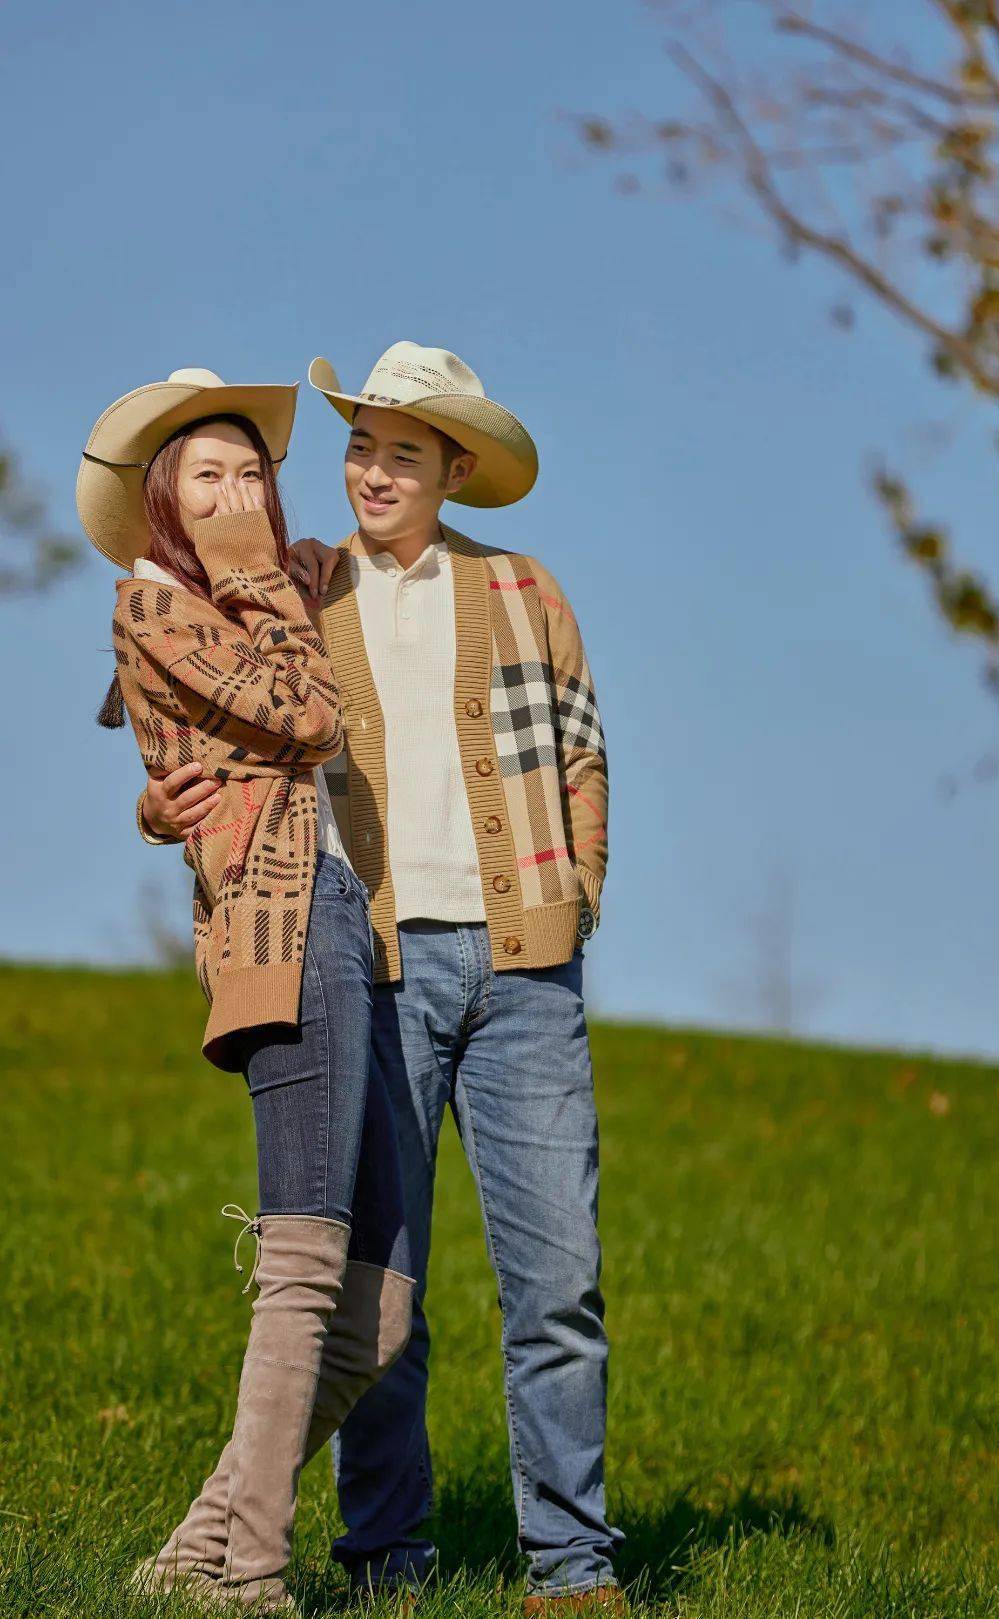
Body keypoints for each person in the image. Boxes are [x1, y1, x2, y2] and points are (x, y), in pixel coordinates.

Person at [141, 342, 622, 1611]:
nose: (372, 469)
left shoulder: (527, 589)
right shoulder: (297, 582)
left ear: (453, 469)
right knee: (383, 1291)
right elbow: (172, 700)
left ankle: (572, 1566)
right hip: (376, 960)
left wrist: (570, 896)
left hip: (526, 976)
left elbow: (584, 750)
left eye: (402, 451)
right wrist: (155, 799)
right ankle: (385, 1558)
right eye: (359, 445)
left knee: (558, 1282)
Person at [80, 368, 414, 1614]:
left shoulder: (263, 592)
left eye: (252, 472)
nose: (239, 495)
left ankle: (190, 1554)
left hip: (347, 916)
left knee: (379, 1306)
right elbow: (309, 712)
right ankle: (253, 1573)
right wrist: (257, 567)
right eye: (206, 475)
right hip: (284, 927)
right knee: (307, 1254)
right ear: (164, 501)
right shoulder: (158, 604)